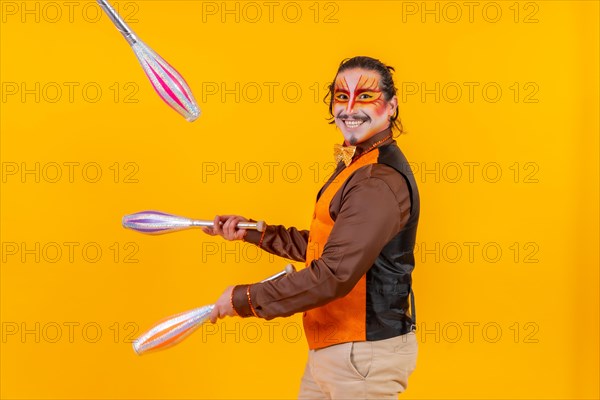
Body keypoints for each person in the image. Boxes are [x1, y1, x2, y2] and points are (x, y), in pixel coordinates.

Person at [203, 56, 420, 399]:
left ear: (391, 106)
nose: (349, 108)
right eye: (340, 96)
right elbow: (333, 245)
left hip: (361, 357)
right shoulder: (359, 164)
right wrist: (256, 233)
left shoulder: (376, 181)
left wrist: (243, 299)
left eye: (365, 96)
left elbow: (332, 274)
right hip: (337, 350)